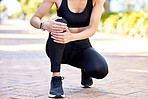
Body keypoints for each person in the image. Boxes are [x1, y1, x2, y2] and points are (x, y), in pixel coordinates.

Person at [30, 0, 108, 98]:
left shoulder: (96, 1)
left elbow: (92, 29)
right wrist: (45, 25)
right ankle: (56, 79)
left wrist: (71, 37)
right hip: (60, 46)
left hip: (82, 46)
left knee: (100, 70)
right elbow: (34, 19)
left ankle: (85, 69)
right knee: (59, 23)